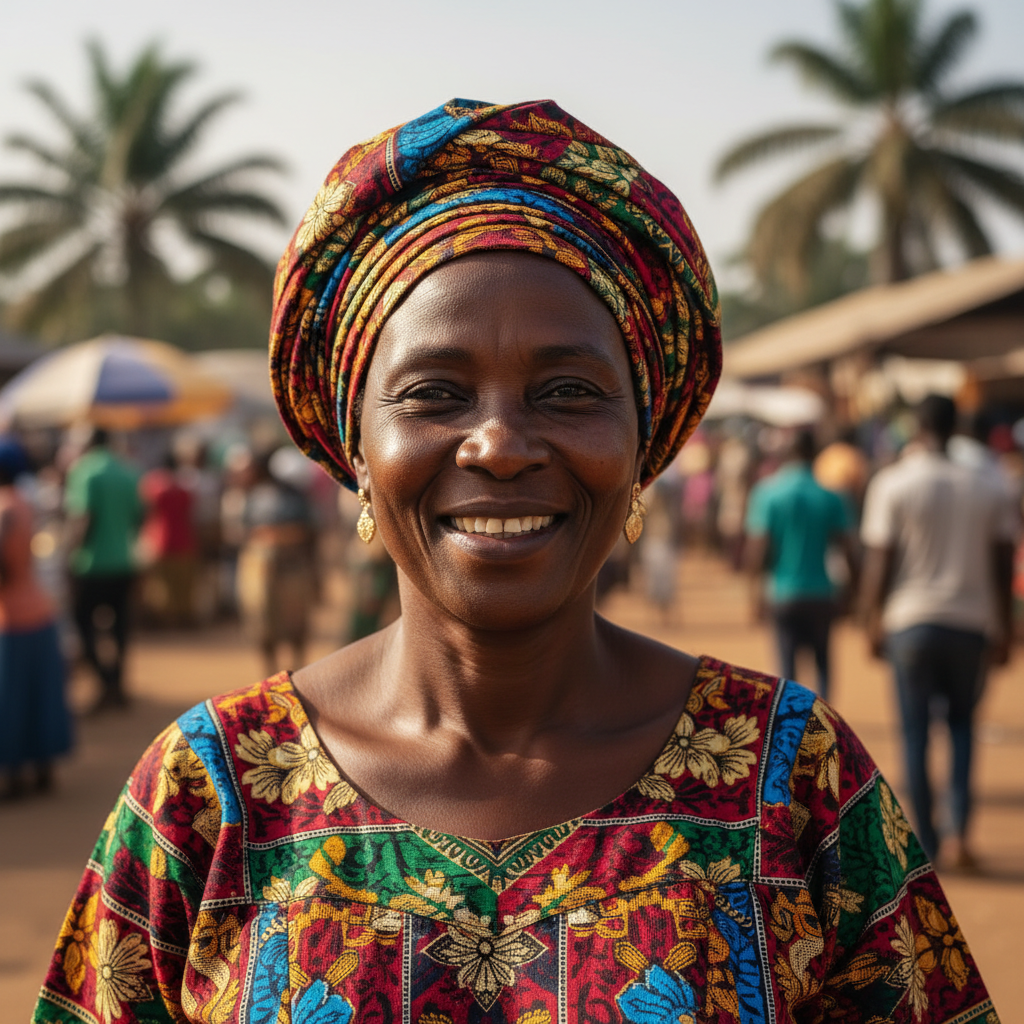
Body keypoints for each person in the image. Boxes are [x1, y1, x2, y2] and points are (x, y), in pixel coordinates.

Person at [36, 100, 998, 1023]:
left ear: (644, 446)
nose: (498, 444)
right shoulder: (209, 796)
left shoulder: (792, 782)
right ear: (354, 449)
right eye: (434, 392)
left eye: (570, 390)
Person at [861, 394, 1017, 871]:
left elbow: (880, 559)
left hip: (910, 623)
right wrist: (1006, 627)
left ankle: (923, 842)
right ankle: (959, 836)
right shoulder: (989, 484)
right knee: (963, 729)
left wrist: (872, 616)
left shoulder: (894, 482)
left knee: (914, 733)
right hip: (970, 624)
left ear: (918, 426)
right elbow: (1002, 559)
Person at [744, 429, 857, 700]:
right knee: (823, 663)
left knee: (787, 668)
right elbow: (849, 550)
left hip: (783, 593)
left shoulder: (768, 493)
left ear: (786, 455)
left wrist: (754, 594)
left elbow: (757, 552)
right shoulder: (831, 495)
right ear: (814, 455)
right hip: (821, 593)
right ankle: (827, 726)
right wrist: (852, 594)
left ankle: (793, 727)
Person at [0, 438, 71, 798]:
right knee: (39, 696)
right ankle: (42, 770)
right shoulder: (24, 504)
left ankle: (11, 777)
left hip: (10, 618)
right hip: (38, 611)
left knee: (9, 700)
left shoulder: (4, 509)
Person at [63, 427, 143, 711]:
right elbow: (138, 516)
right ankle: (117, 686)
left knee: (83, 624)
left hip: (91, 564)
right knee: (120, 627)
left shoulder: (84, 471)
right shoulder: (128, 471)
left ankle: (105, 681)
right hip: (124, 562)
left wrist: (70, 556)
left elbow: (83, 518)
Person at [236, 447, 318, 675]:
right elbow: (243, 531)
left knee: (296, 623)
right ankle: (269, 674)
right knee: (262, 621)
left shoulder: (296, 497)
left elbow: (310, 533)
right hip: (260, 569)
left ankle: (299, 671)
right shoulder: (253, 496)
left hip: (293, 568)